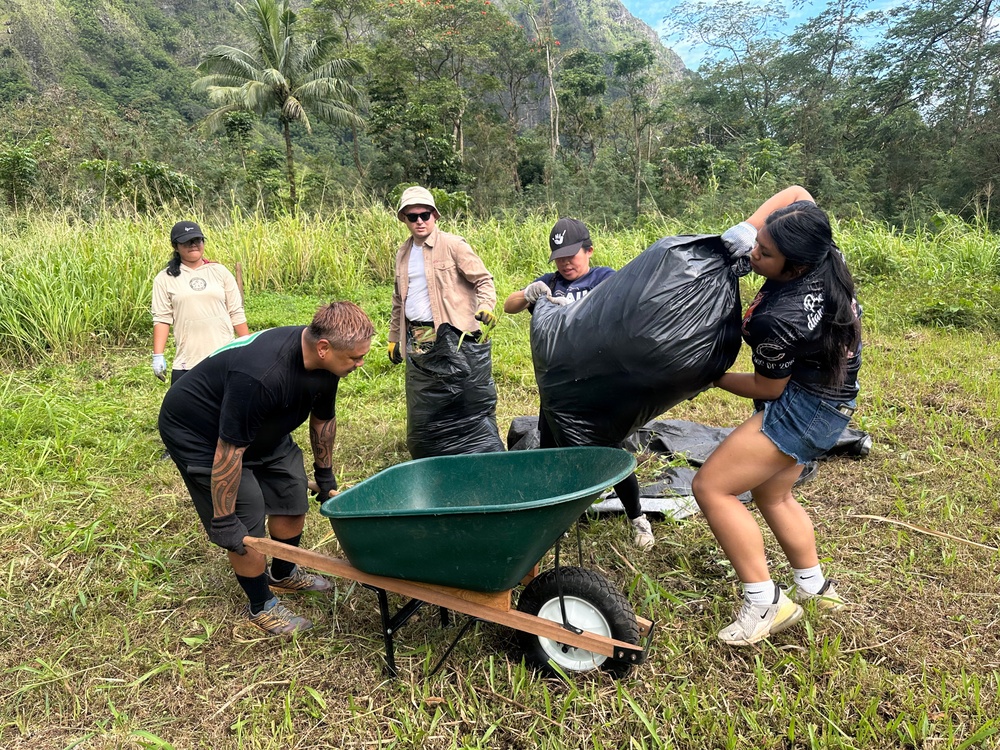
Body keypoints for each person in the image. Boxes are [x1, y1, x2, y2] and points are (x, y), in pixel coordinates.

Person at [692, 186, 862, 646]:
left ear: (796, 267)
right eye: (758, 242)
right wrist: (752, 225)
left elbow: (769, 387)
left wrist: (711, 376)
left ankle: (765, 600)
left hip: (805, 406)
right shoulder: (823, 249)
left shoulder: (780, 319)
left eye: (764, 254)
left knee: (712, 487)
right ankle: (815, 589)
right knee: (774, 496)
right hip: (833, 395)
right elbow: (798, 193)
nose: (753, 254)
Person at [158, 302, 375, 635]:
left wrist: (324, 475)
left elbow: (323, 421)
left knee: (291, 489)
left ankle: (283, 573)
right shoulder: (261, 374)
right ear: (323, 348)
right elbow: (229, 450)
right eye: (355, 358)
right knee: (245, 513)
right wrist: (224, 519)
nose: (360, 364)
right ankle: (261, 605)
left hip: (261, 426)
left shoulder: (328, 366)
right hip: (200, 432)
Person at [504, 218, 655, 550]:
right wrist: (531, 293)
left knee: (609, 452)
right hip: (557, 394)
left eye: (572, 255)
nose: (566, 263)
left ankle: (637, 517)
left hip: (597, 390)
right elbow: (509, 306)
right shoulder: (550, 283)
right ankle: (553, 519)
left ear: (589, 250)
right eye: (559, 257)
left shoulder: (606, 278)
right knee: (549, 452)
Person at [387, 186, 499, 453]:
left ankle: (472, 449)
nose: (419, 222)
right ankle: (434, 449)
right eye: (412, 217)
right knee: (427, 398)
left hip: (456, 335)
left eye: (425, 215)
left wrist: (486, 305)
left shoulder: (453, 245)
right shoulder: (402, 254)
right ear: (404, 219)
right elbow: (398, 300)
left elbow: (483, 279)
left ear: (434, 215)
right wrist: (394, 338)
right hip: (421, 336)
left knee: (463, 393)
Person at [151, 221, 249, 384]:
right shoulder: (164, 278)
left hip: (225, 358)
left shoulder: (220, 271)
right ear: (175, 246)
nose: (193, 245)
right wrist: (158, 355)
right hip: (187, 363)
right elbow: (162, 319)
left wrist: (248, 347)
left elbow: (236, 312)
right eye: (186, 242)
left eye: (197, 240)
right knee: (186, 409)